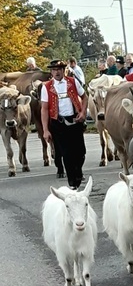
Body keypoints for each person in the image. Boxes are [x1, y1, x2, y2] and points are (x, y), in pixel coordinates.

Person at [40, 59, 88, 190]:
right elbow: (44, 109)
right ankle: (72, 183)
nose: (57, 72)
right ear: (51, 72)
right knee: (66, 154)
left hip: (75, 121)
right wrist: (45, 130)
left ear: (63, 70)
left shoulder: (72, 82)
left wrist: (83, 112)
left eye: (59, 69)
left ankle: (78, 172)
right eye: (54, 70)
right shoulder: (47, 87)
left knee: (80, 152)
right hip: (58, 124)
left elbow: (84, 97)